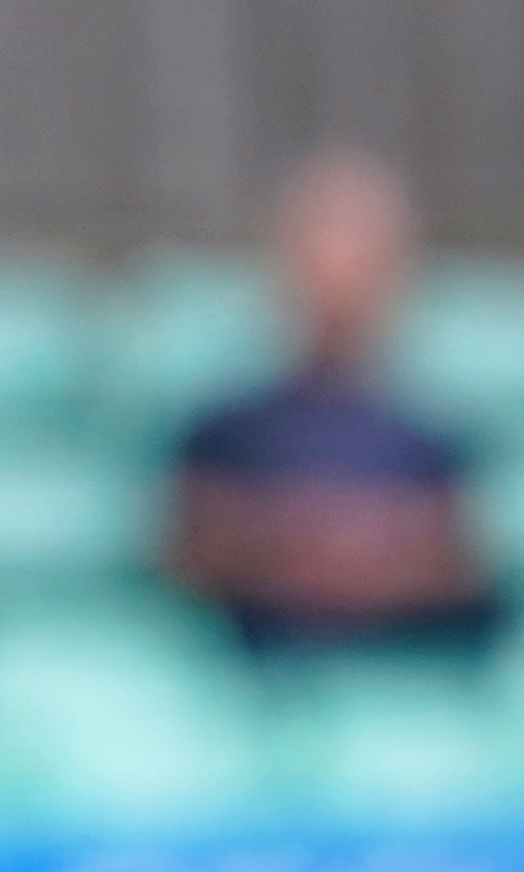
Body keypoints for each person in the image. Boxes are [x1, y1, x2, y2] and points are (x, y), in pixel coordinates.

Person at [168, 150, 500, 652]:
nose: (342, 271)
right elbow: (187, 559)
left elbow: (456, 568)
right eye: (324, 242)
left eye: (364, 247)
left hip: (400, 674)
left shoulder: (434, 439)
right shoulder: (223, 429)